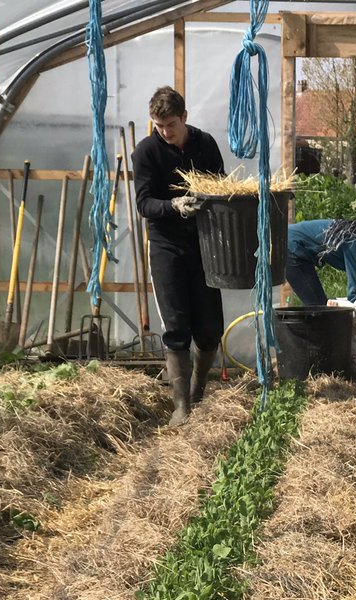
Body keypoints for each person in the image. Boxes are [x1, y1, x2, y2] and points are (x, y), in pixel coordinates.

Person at [133, 86, 225, 426]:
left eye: (170, 124)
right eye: (158, 126)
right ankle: (181, 405)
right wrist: (173, 205)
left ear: (184, 117)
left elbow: (221, 186)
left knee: (210, 326)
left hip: (204, 244)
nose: (165, 132)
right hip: (166, 245)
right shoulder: (146, 152)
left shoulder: (205, 145)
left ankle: (200, 392)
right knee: (175, 325)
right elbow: (144, 203)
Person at [285, 219, 356, 308]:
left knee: (320, 308)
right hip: (291, 246)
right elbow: (355, 292)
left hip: (292, 242)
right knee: (318, 308)